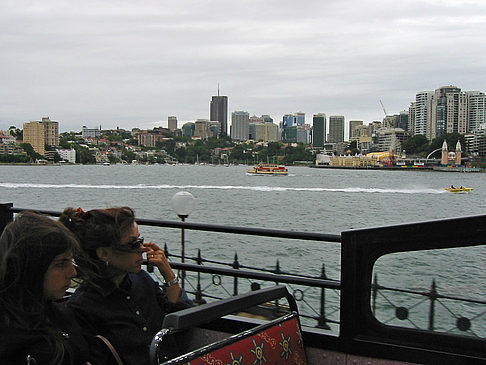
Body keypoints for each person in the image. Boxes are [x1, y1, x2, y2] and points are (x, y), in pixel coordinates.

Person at [59, 207, 193, 365]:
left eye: (140, 241)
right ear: (104, 253)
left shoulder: (141, 280)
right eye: (133, 244)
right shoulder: (83, 306)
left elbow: (184, 320)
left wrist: (169, 276)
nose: (142, 249)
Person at [0, 211, 91, 365]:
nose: (73, 272)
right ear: (31, 268)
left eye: (71, 261)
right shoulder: (12, 338)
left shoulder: (56, 312)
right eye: (61, 264)